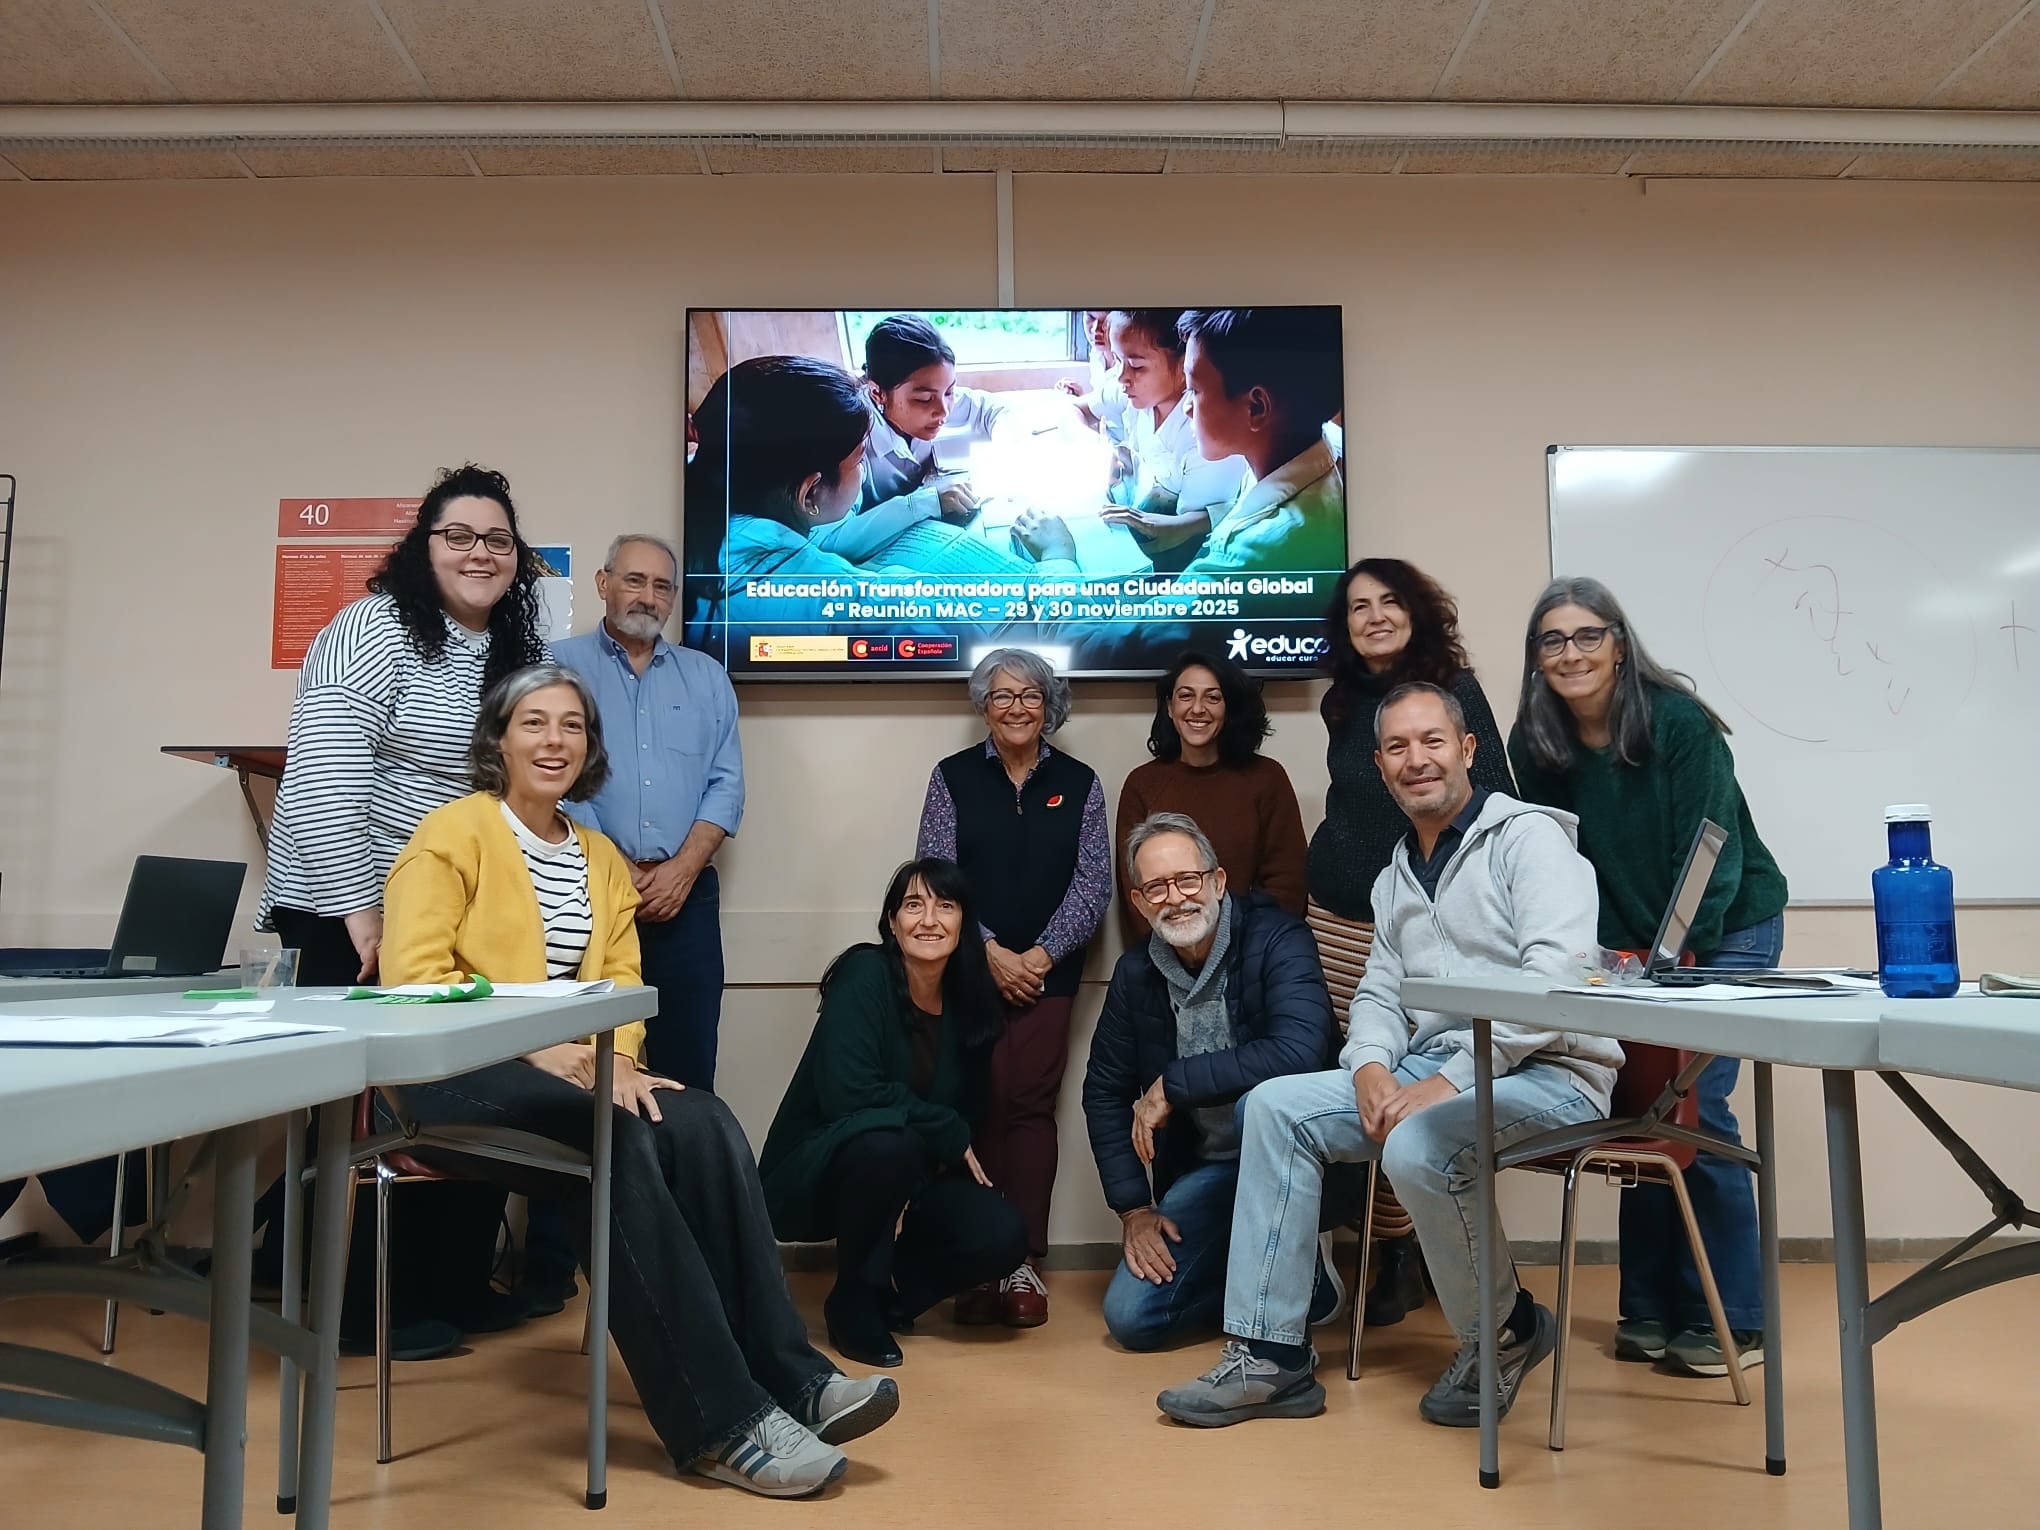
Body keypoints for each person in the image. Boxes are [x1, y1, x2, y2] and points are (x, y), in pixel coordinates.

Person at [380, 664, 897, 1499]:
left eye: (572, 726)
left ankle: (793, 1378)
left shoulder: (597, 857)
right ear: (499, 740)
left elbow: (620, 982)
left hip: (574, 1068)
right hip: (452, 1072)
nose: (554, 741)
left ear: (589, 746)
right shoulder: (452, 833)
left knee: (705, 1120)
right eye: (534, 723)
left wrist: (617, 1059)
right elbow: (414, 980)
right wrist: (537, 1048)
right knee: (616, 1139)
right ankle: (719, 1421)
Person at [1157, 682, 1621, 1429]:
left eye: (1433, 741)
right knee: (1272, 1106)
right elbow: (1379, 991)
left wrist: (1450, 1080)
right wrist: (1370, 1065)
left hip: (1552, 1070)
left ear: (1468, 749)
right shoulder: (1397, 872)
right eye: (1398, 747)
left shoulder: (1530, 840)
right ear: (1379, 766)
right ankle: (1271, 1358)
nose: (1417, 760)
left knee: (1418, 1141)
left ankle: (1504, 1331)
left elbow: (1554, 984)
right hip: (1432, 1068)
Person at [256, 461, 551, 1356]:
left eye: (498, 539)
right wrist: (361, 913)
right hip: (343, 908)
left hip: (445, 912)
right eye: (458, 535)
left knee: (462, 1095)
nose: (479, 552)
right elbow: (320, 780)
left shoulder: (514, 650)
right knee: (363, 1116)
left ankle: (450, 1287)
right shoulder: (372, 629)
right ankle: (351, 1311)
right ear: (424, 547)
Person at [1509, 576, 1788, 1379]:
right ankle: (1649, 1309)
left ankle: (1731, 1317)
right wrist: (1601, 962)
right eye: (1553, 640)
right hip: (1635, 949)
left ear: (1620, 644)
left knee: (1701, 1111)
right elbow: (1557, 865)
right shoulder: (1537, 742)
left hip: (1727, 930)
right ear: (1536, 658)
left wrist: (1669, 967)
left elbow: (1711, 860)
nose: (1571, 653)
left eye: (1587, 635)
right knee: (1646, 1108)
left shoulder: (1679, 724)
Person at [1305, 558, 1516, 1327]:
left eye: (1389, 601)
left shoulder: (1452, 691)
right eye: (1359, 606)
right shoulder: (1340, 700)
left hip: (1411, 923)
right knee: (1362, 1078)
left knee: (1413, 1082)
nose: (1375, 617)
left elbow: (1493, 801)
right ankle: (1382, 1243)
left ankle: (1407, 1250)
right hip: (1333, 918)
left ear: (1416, 610)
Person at [760, 859, 1028, 1369]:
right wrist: (942, 1130)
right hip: (821, 1166)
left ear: (964, 923)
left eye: (945, 906)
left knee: (1003, 1235)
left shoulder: (972, 1002)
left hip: (912, 1170)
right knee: (889, 1142)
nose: (928, 920)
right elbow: (849, 1094)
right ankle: (853, 1300)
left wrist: (922, 1167)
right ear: (891, 921)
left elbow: (967, 1112)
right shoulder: (865, 973)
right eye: (913, 905)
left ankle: (892, 1297)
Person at [1084, 813, 1334, 1351]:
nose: (1175, 898)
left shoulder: (1279, 938)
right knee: (1132, 1319)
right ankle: (1282, 1275)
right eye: (1157, 887)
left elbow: (1299, 1051)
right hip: (1210, 1171)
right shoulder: (1134, 975)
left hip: (1292, 1164)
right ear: (1139, 902)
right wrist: (1134, 1209)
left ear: (1217, 882)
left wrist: (1172, 1085)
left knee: (1256, 1106)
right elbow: (1103, 1091)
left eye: (1188, 880)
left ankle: (1298, 1266)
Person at [916, 647, 1109, 1327]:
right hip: (968, 971)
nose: (1017, 707)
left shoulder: (1082, 783)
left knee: (1028, 1109)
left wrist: (1040, 957)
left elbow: (1093, 884)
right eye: (1002, 695)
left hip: (1050, 979)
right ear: (983, 706)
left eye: (1030, 695)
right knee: (971, 1105)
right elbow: (935, 876)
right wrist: (991, 951)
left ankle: (1023, 1261)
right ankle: (975, 1263)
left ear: (1049, 705)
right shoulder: (951, 777)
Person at [682, 356, 1039, 654]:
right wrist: (1057, 557)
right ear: (810, 493)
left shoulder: (707, 483)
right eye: (858, 461)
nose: (864, 470)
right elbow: (967, 649)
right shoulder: (843, 605)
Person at [556, 533, 743, 1090]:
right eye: (634, 580)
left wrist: (682, 869)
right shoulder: (556, 667)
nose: (648, 596)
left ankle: (684, 1154)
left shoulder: (706, 676)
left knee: (688, 1067)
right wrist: (613, 866)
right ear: (603, 583)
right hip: (581, 890)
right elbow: (549, 782)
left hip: (685, 900)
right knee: (586, 1068)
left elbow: (727, 784)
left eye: (662, 586)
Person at [1013, 307, 1344, 579]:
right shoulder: (1281, 458)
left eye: (1195, 391)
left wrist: (1056, 556)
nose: (1187, 406)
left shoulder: (1250, 557)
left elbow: (1096, 636)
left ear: (1256, 407)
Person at [1114, 649, 1306, 949]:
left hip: (1253, 952)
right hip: (1167, 953)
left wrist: (1243, 951)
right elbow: (1135, 890)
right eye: (1186, 696)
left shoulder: (1267, 778)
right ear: (1169, 706)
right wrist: (1179, 953)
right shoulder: (1141, 784)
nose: (1197, 708)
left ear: (1229, 708)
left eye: (1213, 698)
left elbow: (1287, 884)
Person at [813, 312, 1008, 563]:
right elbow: (829, 540)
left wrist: (1010, 444)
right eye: (925, 399)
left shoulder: (936, 398)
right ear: (877, 393)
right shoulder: (853, 443)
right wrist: (925, 502)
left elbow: (997, 411)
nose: (944, 411)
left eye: (950, 391)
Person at [1096, 308, 1248, 572]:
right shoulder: (1137, 395)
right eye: (1117, 360)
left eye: (1136, 366)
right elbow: (1081, 407)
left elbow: (1184, 538)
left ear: (1183, 365)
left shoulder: (1204, 437)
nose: (1121, 377)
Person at [1056, 308, 1130, 444]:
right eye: (1090, 317)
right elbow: (1105, 411)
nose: (1096, 329)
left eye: (1106, 321)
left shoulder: (1128, 371)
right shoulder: (1097, 354)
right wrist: (1081, 397)